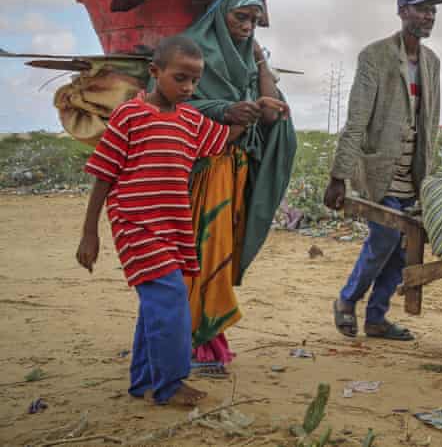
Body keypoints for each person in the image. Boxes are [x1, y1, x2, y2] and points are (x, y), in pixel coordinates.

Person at [75, 36, 287, 406]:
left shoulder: (190, 119)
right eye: (180, 78)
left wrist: (252, 110)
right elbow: (104, 175)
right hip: (135, 224)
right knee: (171, 299)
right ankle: (169, 384)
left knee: (156, 303)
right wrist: (89, 232)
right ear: (155, 73)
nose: (189, 88)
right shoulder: (130, 115)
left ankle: (144, 381)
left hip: (173, 226)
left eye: (194, 80)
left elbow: (222, 139)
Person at [179, 0, 298, 364]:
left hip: (235, 171)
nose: (247, 26)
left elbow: (268, 112)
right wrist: (225, 111)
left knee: (220, 255)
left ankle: (209, 342)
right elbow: (169, 107)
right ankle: (194, 343)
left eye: (254, 20)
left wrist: (261, 61)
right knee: (200, 255)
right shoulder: (191, 51)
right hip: (201, 171)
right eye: (240, 17)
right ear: (219, 13)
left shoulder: (248, 58)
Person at [325, 0, 442, 341]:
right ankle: (347, 300)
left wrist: (432, 175)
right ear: (402, 11)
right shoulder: (375, 56)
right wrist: (338, 176)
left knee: (404, 247)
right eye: (421, 9)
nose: (428, 16)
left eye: (432, 11)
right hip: (380, 170)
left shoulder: (432, 62)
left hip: (414, 172)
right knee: (386, 235)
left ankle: (376, 319)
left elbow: (431, 120)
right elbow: (357, 118)